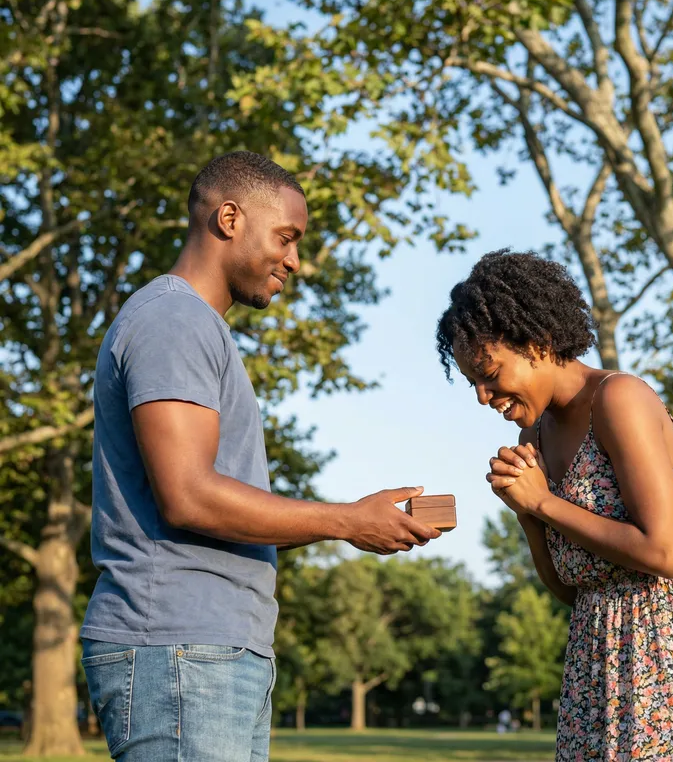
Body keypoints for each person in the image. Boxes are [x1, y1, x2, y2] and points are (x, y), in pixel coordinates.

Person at [81, 151, 441, 762]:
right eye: (287, 237)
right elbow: (188, 496)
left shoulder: (198, 327)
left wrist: (356, 522)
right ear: (228, 218)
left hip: (211, 650)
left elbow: (218, 510)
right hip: (179, 648)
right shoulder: (173, 321)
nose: (295, 261)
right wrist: (347, 520)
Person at [436, 249, 673, 761]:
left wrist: (543, 503)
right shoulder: (534, 432)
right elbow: (571, 590)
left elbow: (664, 552)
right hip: (594, 666)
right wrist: (526, 516)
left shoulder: (620, 399)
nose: (482, 396)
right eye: (472, 382)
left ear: (538, 344)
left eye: (490, 373)